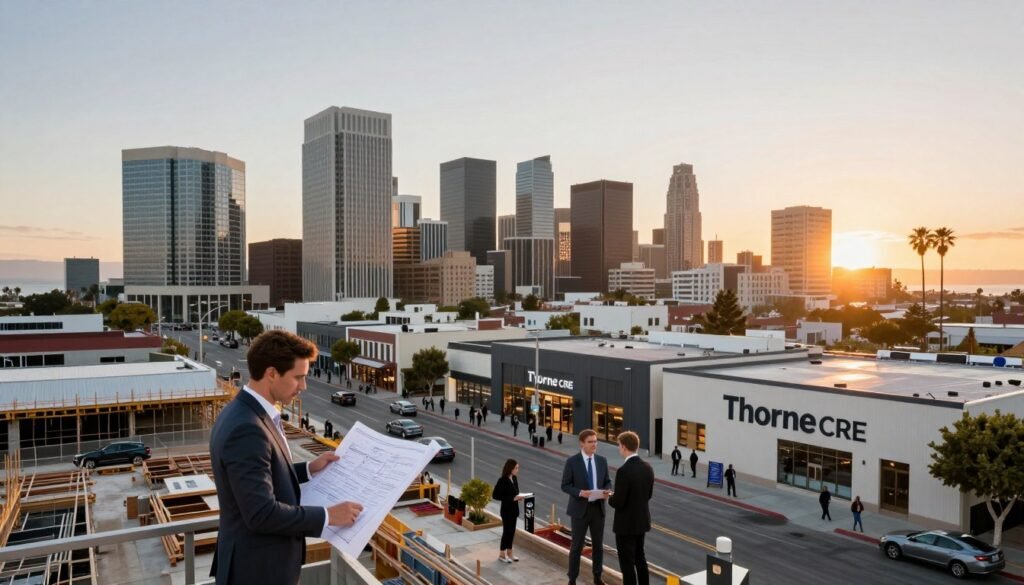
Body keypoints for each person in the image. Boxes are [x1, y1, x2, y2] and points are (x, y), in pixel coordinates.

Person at [209, 330, 363, 585]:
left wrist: (308, 470)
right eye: (298, 378)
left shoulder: (244, 412)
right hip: (257, 572)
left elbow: (261, 473)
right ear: (271, 373)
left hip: (258, 565)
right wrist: (328, 516)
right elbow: (261, 513)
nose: (303, 386)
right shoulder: (247, 428)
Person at [561, 429, 612, 585]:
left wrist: (607, 490)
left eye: (596, 441)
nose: (594, 445)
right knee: (577, 546)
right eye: (590, 442)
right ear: (582, 443)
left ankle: (597, 577)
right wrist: (580, 493)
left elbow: (607, 481)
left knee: (598, 546)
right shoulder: (572, 462)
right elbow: (565, 485)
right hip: (579, 510)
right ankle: (572, 579)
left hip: (598, 509)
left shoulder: (602, 461)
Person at [609, 431, 654, 585]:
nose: (619, 449)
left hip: (625, 526)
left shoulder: (623, 471)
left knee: (627, 563)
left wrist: (610, 497)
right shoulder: (648, 467)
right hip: (641, 522)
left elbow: (618, 502)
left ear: (624, 447)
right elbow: (648, 495)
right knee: (640, 558)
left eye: (619, 446)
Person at [492, 458, 526, 563]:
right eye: (516, 468)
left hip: (514, 510)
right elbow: (495, 495)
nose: (517, 470)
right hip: (506, 511)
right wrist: (512, 498)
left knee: (512, 532)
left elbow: (516, 492)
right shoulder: (502, 480)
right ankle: (502, 554)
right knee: (506, 532)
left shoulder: (514, 478)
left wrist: (519, 497)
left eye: (517, 468)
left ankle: (510, 553)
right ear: (510, 468)